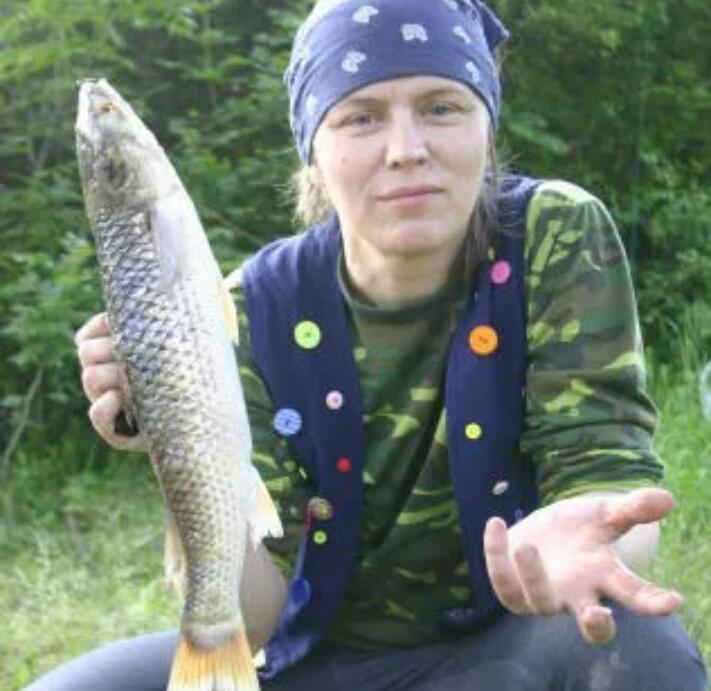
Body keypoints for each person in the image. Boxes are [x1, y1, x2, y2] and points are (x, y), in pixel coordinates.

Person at [30, 0, 707, 689]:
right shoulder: (246, 311)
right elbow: (251, 618)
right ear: (312, 149)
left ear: (487, 125)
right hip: (314, 663)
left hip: (507, 648)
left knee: (639, 646)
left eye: (441, 107)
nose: (406, 148)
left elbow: (604, 469)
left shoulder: (551, 234)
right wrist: (176, 433)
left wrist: (588, 536)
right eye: (361, 117)